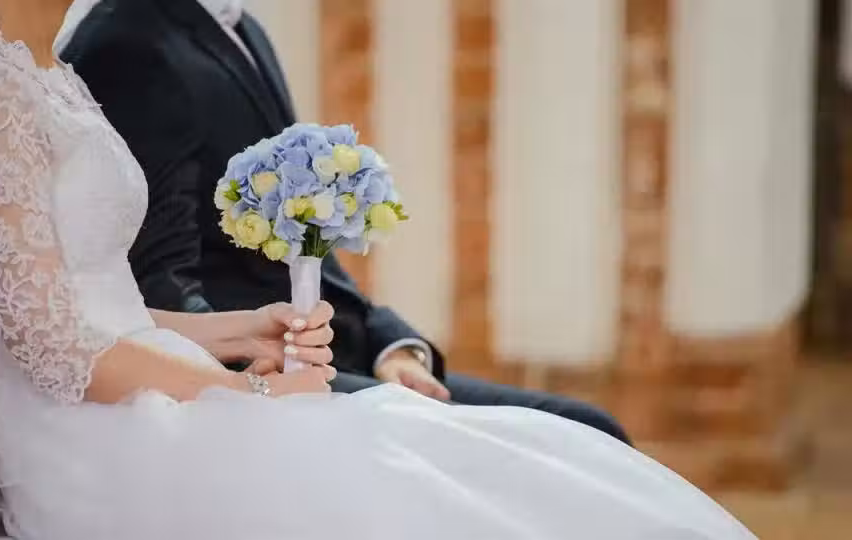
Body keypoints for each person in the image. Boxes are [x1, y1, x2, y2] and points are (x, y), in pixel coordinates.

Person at [0, 0, 757, 538]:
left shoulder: (45, 71)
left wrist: (239, 330)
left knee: (502, 453)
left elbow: (98, 300)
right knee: (393, 484)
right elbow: (51, 345)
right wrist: (247, 390)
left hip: (154, 381)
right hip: (82, 434)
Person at [57, 0, 631, 443]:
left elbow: (305, 245)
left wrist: (392, 347)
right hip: (256, 371)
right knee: (559, 448)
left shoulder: (244, 29)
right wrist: (263, 381)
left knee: (588, 427)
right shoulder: (128, 45)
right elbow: (159, 281)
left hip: (339, 353)